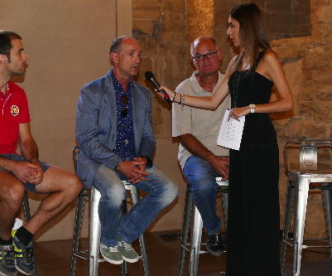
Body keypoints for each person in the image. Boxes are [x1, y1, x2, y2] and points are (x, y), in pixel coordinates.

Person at [158, 3, 293, 276]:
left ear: (246, 25)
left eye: (232, 25)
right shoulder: (236, 60)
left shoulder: (267, 58)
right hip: (240, 144)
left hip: (260, 143)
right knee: (242, 211)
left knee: (260, 210)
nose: (228, 31)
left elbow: (288, 102)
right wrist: (176, 97)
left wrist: (252, 108)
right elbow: (212, 101)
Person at [0, 30, 83, 276]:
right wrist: (14, 167)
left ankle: (22, 237)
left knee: (72, 184)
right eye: (20, 51)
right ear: (2, 58)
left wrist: (32, 162)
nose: (26, 57)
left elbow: (26, 140)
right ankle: (5, 243)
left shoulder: (18, 94)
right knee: (15, 190)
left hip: (10, 160)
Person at [75, 36, 178, 265]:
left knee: (169, 190)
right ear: (114, 57)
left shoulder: (142, 95)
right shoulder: (92, 92)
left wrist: (143, 158)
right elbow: (86, 140)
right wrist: (118, 163)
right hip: (96, 160)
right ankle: (110, 241)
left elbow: (148, 136)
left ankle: (120, 236)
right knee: (115, 191)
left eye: (139, 54)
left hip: (132, 160)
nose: (137, 59)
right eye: (131, 54)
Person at [172, 36, 230, 256]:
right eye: (199, 56)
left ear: (220, 55)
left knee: (253, 180)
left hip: (229, 152)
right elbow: (184, 135)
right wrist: (213, 158)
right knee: (204, 184)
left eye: (210, 54)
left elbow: (242, 123)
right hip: (195, 155)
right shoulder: (183, 90)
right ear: (192, 61)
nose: (206, 60)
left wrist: (234, 155)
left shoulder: (231, 85)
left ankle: (246, 235)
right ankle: (213, 230)